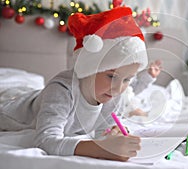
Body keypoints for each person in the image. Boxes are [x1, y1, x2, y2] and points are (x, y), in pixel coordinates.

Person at [0, 7, 150, 162]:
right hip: (10, 107)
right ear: (89, 67)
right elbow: (46, 141)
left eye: (127, 79)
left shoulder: (114, 94)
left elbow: (103, 130)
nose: (118, 88)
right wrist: (103, 149)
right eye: (111, 76)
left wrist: (114, 134)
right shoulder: (62, 90)